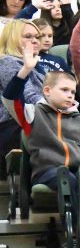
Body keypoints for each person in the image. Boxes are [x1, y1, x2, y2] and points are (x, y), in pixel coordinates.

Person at [2, 45, 80, 205]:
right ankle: (77, 229)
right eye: (64, 90)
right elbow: (10, 99)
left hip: (76, 169)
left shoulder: (79, 118)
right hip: (48, 171)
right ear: (47, 91)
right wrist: (26, 70)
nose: (70, 95)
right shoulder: (33, 113)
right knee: (70, 179)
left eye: (73, 92)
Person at [0, 20, 41, 164]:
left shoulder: (36, 66)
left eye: (37, 37)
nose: (35, 40)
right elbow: (28, 96)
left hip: (36, 121)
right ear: (13, 38)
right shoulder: (8, 62)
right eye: (28, 36)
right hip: (14, 128)